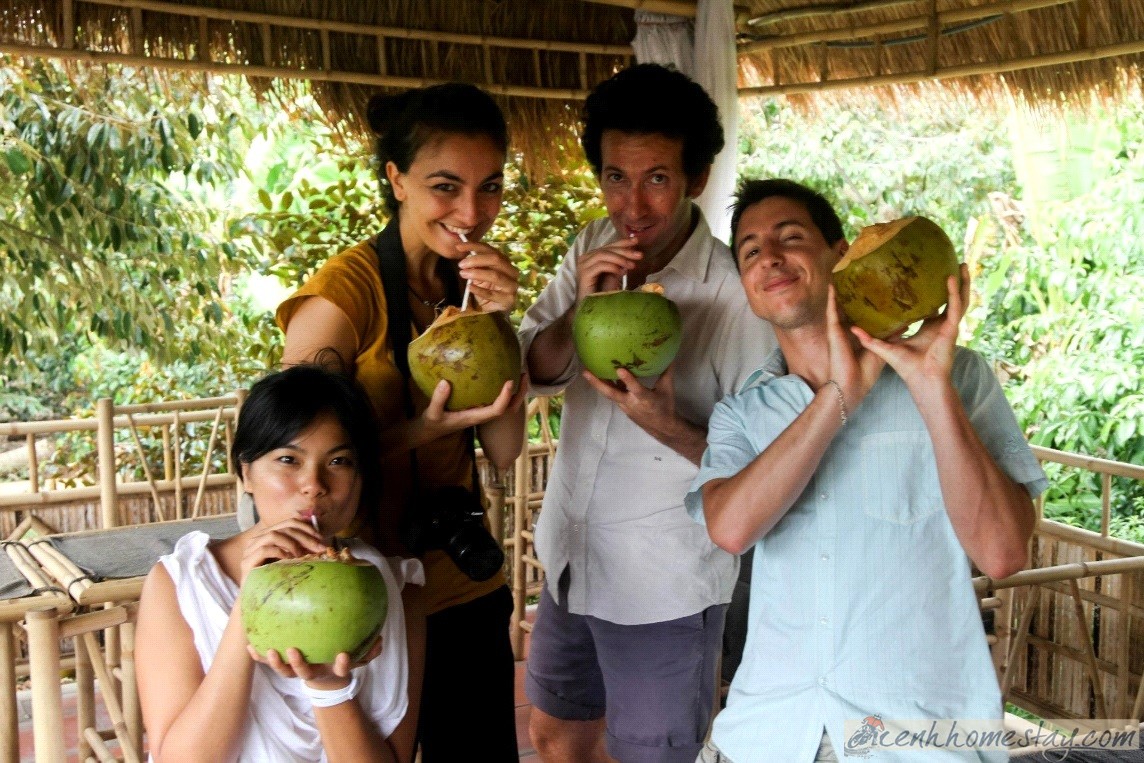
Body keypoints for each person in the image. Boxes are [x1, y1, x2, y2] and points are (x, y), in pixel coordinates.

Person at [687, 179, 1048, 762]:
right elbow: (729, 528)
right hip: (767, 735)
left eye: (791, 237)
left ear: (840, 252)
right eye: (751, 250)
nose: (770, 257)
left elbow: (1003, 554)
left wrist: (930, 388)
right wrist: (836, 397)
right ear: (746, 286)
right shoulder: (743, 412)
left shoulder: (956, 377)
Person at [519, 63, 778, 763]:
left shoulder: (735, 293)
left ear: (696, 177)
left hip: (665, 583)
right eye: (614, 177)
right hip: (573, 557)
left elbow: (764, 464)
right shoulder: (589, 249)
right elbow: (532, 369)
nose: (631, 205)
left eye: (656, 178)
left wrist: (664, 419)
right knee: (554, 735)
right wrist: (580, 306)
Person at [276, 83, 527, 760]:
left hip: (459, 579)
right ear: (396, 179)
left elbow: (505, 446)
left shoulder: (469, 286)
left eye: (491, 186)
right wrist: (420, 431)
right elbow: (284, 451)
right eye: (446, 186)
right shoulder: (346, 291)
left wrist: (500, 321)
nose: (472, 212)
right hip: (353, 593)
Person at [137, 365, 424, 762]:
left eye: (339, 461)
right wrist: (249, 603)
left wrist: (328, 686)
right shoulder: (179, 583)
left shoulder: (391, 587)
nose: (314, 484)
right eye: (289, 459)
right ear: (245, 473)